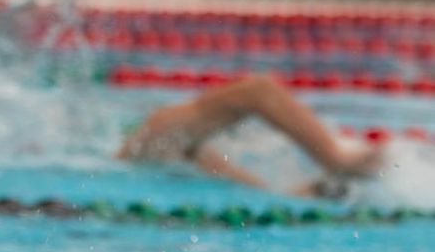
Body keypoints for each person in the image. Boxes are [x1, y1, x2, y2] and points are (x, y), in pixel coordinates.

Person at [116, 73, 385, 197]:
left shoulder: (172, 151)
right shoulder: (158, 134)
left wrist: (299, 195)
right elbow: (259, 90)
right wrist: (336, 160)